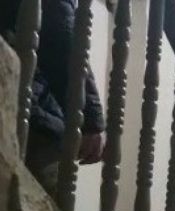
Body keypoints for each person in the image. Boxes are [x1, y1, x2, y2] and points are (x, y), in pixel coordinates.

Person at [1, 0, 105, 195]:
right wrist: (90, 119)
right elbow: (58, 27)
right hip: (23, 117)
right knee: (36, 202)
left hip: (22, 105)